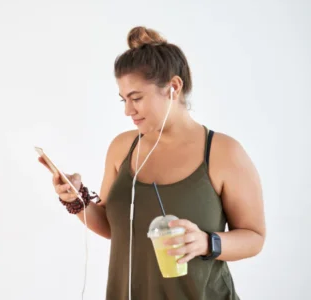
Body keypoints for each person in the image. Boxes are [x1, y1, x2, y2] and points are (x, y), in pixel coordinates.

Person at [38, 26, 265, 300]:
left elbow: (254, 237)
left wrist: (207, 242)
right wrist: (76, 200)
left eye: (136, 98)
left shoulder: (223, 152)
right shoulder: (122, 147)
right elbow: (114, 228)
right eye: (124, 100)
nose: (127, 110)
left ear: (174, 87)